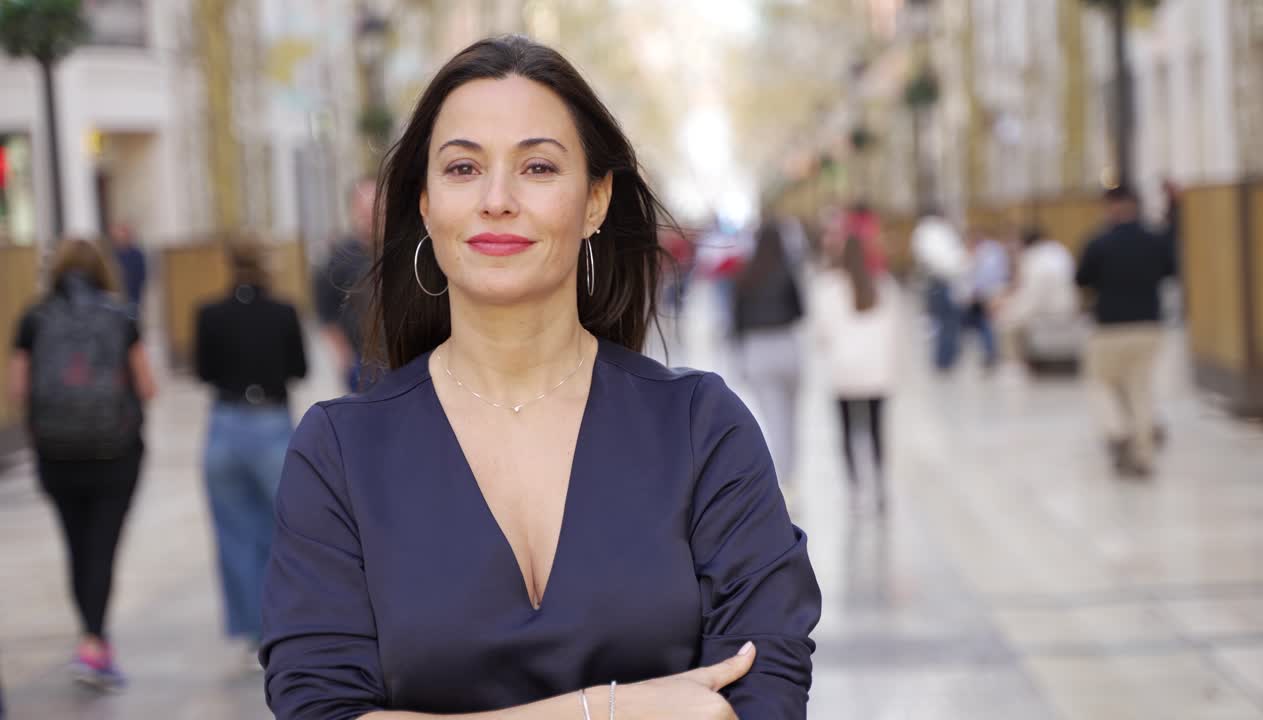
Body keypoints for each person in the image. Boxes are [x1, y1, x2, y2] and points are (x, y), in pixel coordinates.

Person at [261, 36, 820, 720]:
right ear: (427, 205)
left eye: (537, 167)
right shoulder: (338, 454)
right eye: (463, 168)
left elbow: (763, 699)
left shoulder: (704, 428)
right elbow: (318, 710)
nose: (498, 199)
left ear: (595, 201)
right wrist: (608, 710)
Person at [7, 237, 157, 691]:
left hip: (57, 452)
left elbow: (18, 388)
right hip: (115, 453)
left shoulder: (33, 318)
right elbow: (147, 385)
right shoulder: (121, 316)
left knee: (76, 544)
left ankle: (92, 638)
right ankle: (94, 642)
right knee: (102, 546)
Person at [194, 240, 307, 665]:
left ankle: (250, 631)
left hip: (224, 422)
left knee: (234, 533)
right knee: (284, 529)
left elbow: (203, 371)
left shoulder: (209, 313)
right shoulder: (283, 312)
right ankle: (284, 623)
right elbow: (299, 368)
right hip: (272, 422)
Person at [1076, 186, 1177, 478]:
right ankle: (1143, 456)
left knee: (1100, 382)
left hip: (1110, 327)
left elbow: (1082, 278)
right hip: (1148, 324)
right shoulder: (1156, 240)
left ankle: (1116, 430)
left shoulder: (1099, 242)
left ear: (1111, 207)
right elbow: (1170, 271)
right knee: (1140, 390)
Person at [812, 223, 899, 514]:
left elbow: (822, 334)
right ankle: (880, 487)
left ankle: (855, 490)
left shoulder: (828, 289)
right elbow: (893, 331)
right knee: (876, 431)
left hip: (844, 372)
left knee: (848, 430)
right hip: (877, 372)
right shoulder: (882, 286)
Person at [731, 216, 806, 490]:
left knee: (773, 419)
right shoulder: (787, 271)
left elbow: (735, 321)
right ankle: (790, 478)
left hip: (757, 351)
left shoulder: (745, 274)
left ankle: (780, 479)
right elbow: (801, 312)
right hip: (786, 347)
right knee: (790, 418)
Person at [315, 177, 376, 392]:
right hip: (361, 361)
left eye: (375, 206)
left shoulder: (404, 252)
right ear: (352, 210)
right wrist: (343, 356)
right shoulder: (339, 259)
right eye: (363, 209)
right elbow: (326, 312)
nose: (369, 215)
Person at [996, 227, 1079, 370]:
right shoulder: (1058, 251)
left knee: (1005, 322)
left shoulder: (1033, 258)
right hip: (1068, 305)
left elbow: (1032, 295)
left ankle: (1015, 364)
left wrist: (1009, 311)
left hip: (1047, 308)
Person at [911, 209, 966, 372]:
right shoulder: (934, 231)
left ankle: (944, 359)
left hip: (941, 281)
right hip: (943, 281)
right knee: (947, 322)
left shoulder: (924, 232)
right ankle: (944, 359)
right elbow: (946, 260)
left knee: (942, 322)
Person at [961, 229, 1009, 371]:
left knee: (986, 325)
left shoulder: (988, 253)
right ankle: (989, 354)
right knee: (982, 325)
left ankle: (991, 354)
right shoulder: (991, 251)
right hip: (986, 293)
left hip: (988, 294)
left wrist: (977, 293)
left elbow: (986, 276)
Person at [109, 223, 147, 319]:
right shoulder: (111, 254)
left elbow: (142, 275)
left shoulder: (137, 254)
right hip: (115, 297)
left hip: (133, 297)